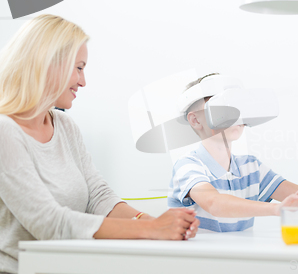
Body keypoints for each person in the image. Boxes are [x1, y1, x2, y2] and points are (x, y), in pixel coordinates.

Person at [0, 14, 199, 274]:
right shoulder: (5, 131)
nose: (83, 82)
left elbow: (98, 197)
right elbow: (49, 223)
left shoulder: (64, 125)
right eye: (79, 68)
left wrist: (155, 221)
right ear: (48, 64)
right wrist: (151, 229)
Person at [168, 73, 298, 232]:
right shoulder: (188, 166)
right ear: (195, 120)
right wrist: (275, 210)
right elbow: (214, 203)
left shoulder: (251, 167)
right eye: (221, 107)